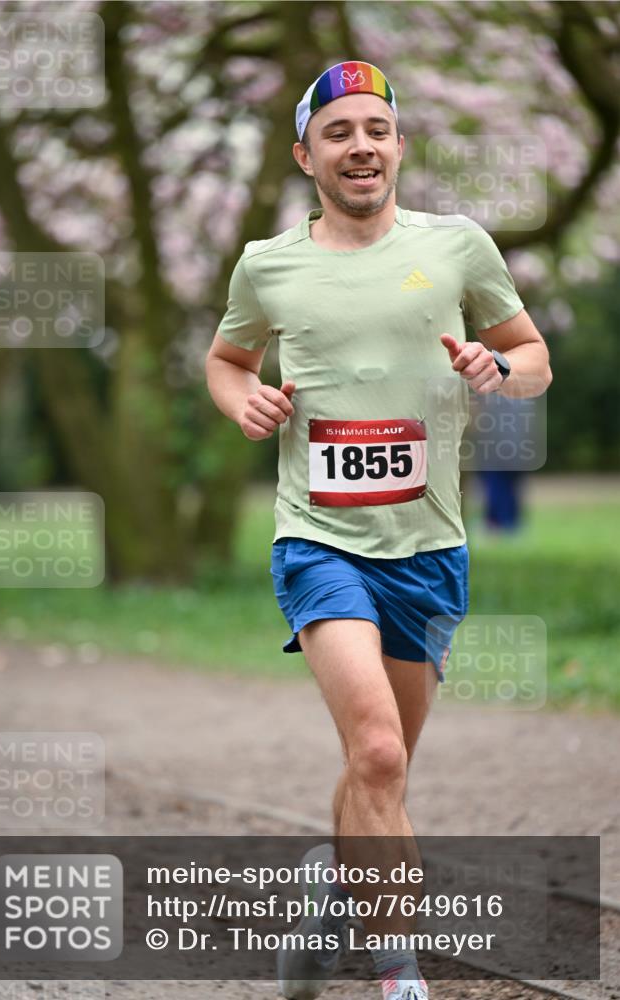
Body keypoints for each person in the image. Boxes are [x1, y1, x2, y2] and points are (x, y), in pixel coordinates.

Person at [206, 60, 552, 1000]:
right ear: (304, 155)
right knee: (377, 753)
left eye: (375, 129)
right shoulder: (267, 263)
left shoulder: (456, 248)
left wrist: (497, 367)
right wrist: (243, 400)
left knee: (380, 770)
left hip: (429, 548)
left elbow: (533, 359)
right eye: (338, 132)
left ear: (397, 145)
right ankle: (399, 974)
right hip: (318, 538)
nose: (359, 146)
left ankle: (333, 884)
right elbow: (227, 358)